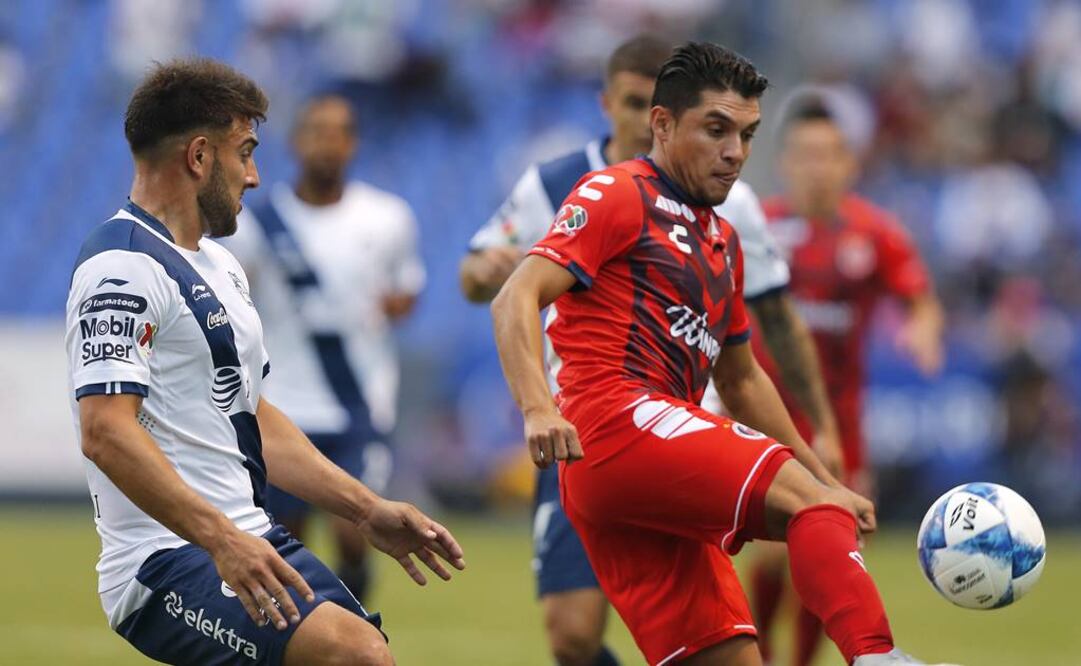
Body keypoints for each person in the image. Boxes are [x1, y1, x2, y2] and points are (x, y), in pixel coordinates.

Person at [491, 42, 955, 666]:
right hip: (614, 424)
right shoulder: (616, 192)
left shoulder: (723, 240)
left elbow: (741, 378)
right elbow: (514, 296)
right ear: (662, 124)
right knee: (809, 510)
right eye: (716, 129)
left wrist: (822, 476)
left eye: (746, 134)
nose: (734, 152)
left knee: (731, 656)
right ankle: (877, 656)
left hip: (639, 479)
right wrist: (536, 408)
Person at [65, 58, 463, 666]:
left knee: (370, 653)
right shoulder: (120, 266)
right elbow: (105, 430)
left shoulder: (220, 266)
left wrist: (365, 508)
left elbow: (248, 413)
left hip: (248, 535)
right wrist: (222, 538)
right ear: (199, 157)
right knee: (355, 656)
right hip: (164, 560)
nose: (254, 176)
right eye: (244, 151)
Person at [749, 88, 945, 666]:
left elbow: (921, 299)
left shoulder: (875, 233)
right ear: (786, 163)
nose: (816, 167)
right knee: (773, 554)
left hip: (839, 419)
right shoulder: (760, 227)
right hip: (769, 412)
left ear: (848, 163)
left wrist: (923, 330)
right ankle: (756, 649)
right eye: (804, 155)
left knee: (830, 545)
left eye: (828, 155)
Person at [228, 92, 425, 606]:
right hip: (284, 402)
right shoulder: (257, 223)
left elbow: (407, 288)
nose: (325, 143)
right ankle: (306, 635)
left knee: (352, 529)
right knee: (286, 536)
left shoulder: (387, 218)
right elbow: (232, 291)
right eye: (315, 131)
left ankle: (354, 612)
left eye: (337, 132)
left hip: (359, 399)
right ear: (295, 142)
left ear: (353, 142)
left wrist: (387, 305)